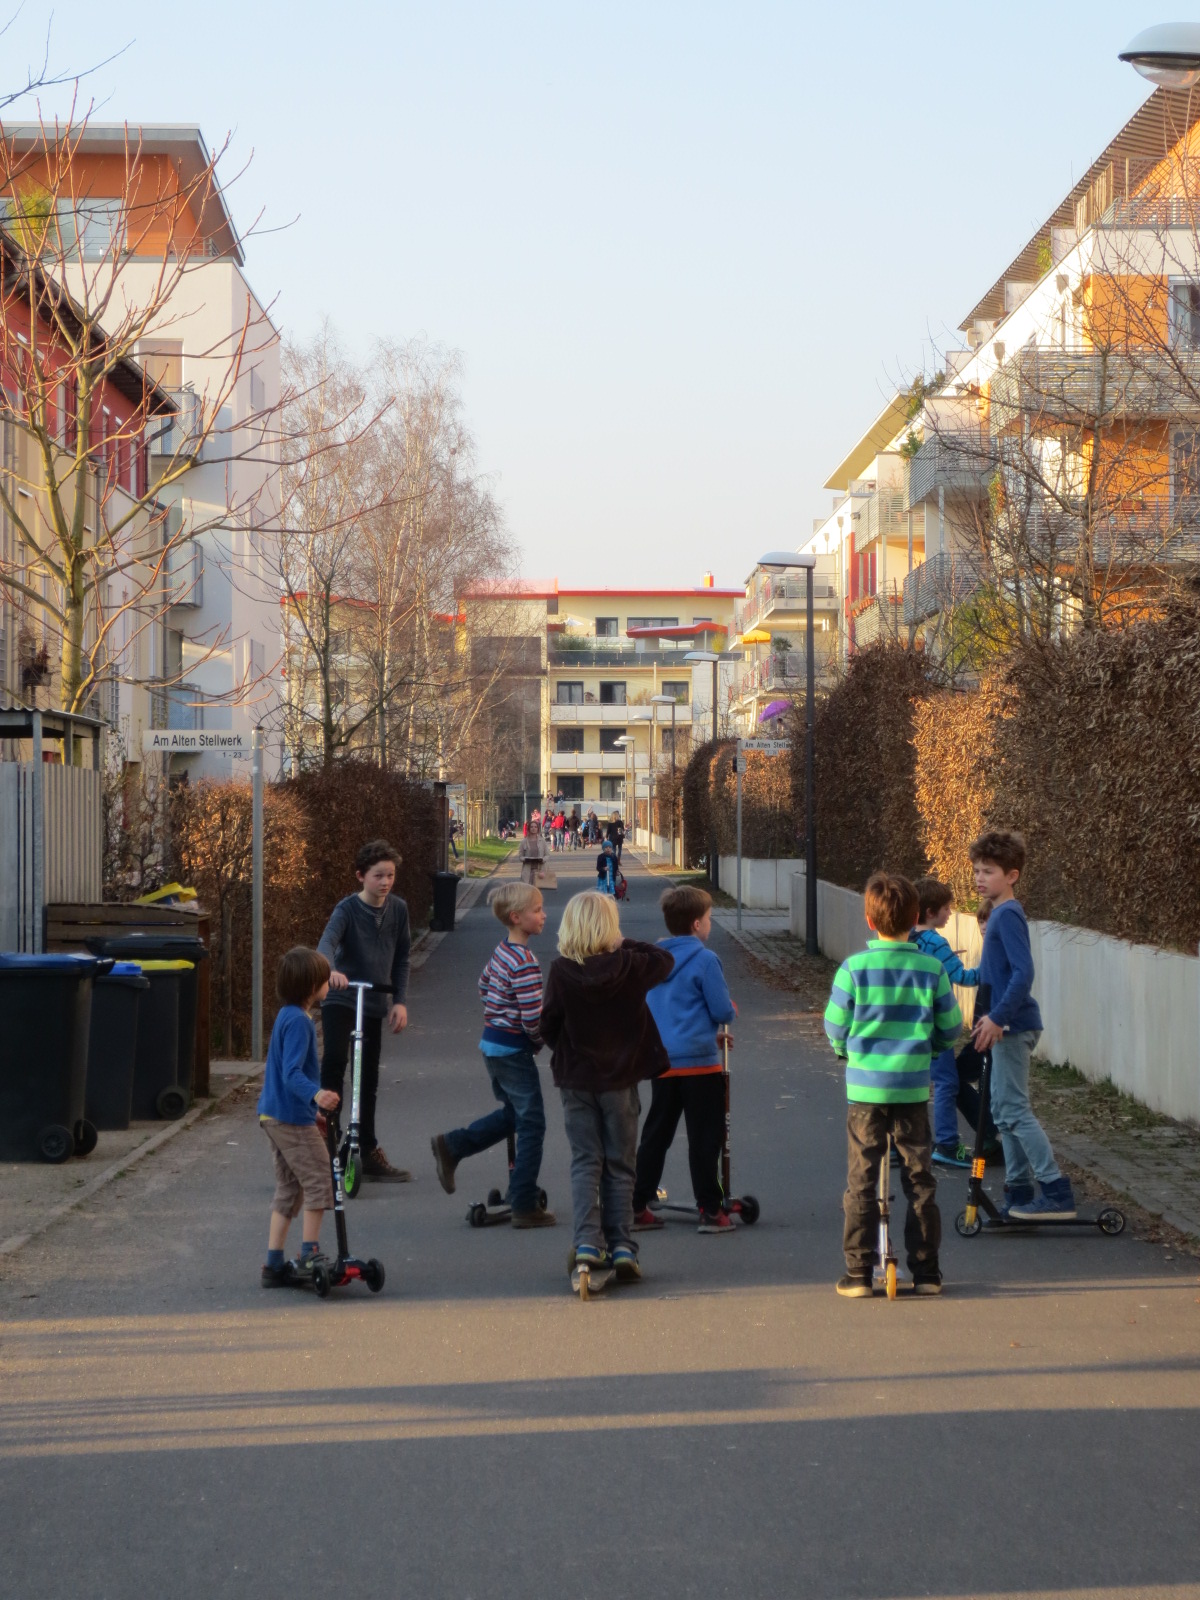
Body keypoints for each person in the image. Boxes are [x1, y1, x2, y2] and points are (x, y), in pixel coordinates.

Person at [824, 871, 962, 1298]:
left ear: (869, 919)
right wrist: (933, 1047)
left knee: (861, 1180)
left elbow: (835, 1024)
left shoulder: (854, 969)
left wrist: (843, 1050)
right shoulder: (931, 968)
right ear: (917, 916)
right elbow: (950, 1027)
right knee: (920, 1179)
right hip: (912, 1089)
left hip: (865, 1090)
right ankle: (927, 1273)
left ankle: (859, 1273)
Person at [540, 891, 673, 1295]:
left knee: (586, 1162)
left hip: (578, 1082)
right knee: (620, 1163)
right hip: (621, 1081)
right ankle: (622, 1245)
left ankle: (587, 1242)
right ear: (612, 929)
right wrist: (623, 943)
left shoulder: (562, 971)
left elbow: (548, 1025)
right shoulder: (631, 966)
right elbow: (664, 960)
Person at [430, 883, 556, 1227]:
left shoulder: (502, 951)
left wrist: (497, 1016)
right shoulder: (526, 962)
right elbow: (533, 1018)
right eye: (537, 910)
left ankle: (453, 1145)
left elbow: (484, 985)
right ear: (517, 917)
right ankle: (525, 1204)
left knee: (515, 1114)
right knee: (532, 1123)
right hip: (514, 1048)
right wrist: (538, 1042)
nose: (544, 915)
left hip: (492, 1044)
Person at [969, 830, 1076, 1220]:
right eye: (977, 871)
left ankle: (1055, 1190)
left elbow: (1022, 972)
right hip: (1002, 1027)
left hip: (1013, 1027)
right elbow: (993, 975)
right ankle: (1018, 1191)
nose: (980, 878)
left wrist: (998, 1018)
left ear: (1012, 875)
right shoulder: (997, 914)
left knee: (1013, 1109)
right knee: (1002, 1111)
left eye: (989, 871)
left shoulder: (1008, 914)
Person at [632, 885, 738, 1233]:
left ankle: (637, 1202)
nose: (709, 924)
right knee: (705, 1137)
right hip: (700, 1062)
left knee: (657, 1133)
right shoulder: (706, 960)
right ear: (696, 924)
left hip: (663, 1060)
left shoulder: (653, 959)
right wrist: (720, 1023)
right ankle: (709, 1207)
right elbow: (721, 1008)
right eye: (708, 919)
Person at [317, 839, 412, 1182]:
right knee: (335, 1062)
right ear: (361, 876)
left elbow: (402, 957)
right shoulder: (347, 909)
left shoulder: (398, 910)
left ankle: (366, 1149)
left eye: (390, 875)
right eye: (378, 876)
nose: (385, 882)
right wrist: (331, 969)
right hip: (342, 998)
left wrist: (399, 1000)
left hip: (373, 1002)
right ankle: (326, 1138)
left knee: (367, 1078)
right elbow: (326, 943)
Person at [258, 947, 340, 1287]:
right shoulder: (300, 1024)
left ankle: (274, 1265)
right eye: (323, 980)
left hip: (276, 1115)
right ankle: (309, 1253)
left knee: (290, 1188)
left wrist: (312, 1113)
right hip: (289, 1118)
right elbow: (292, 1073)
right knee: (321, 1179)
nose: (327, 985)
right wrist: (317, 1096)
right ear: (311, 987)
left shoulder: (286, 1015)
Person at [912, 877, 979, 1170]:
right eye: (946, 908)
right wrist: (990, 968)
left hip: (910, 1023)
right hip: (934, 1023)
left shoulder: (908, 939)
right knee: (946, 1082)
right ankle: (948, 1144)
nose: (950, 913)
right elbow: (961, 976)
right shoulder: (935, 942)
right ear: (930, 912)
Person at [518, 818, 548, 885]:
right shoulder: (524, 842)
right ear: (528, 828)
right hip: (528, 871)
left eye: (535, 827)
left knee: (538, 892)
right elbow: (520, 856)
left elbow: (547, 855)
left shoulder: (542, 841)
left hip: (540, 870)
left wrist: (542, 859)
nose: (533, 828)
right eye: (531, 827)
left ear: (538, 829)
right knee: (527, 891)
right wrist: (525, 859)